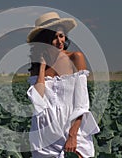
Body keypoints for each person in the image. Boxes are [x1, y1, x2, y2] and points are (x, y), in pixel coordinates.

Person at [26, 12, 100, 158]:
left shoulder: (75, 58)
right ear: (44, 41)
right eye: (54, 37)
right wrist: (41, 66)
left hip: (71, 131)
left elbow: (82, 103)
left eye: (61, 35)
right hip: (43, 136)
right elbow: (37, 101)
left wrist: (73, 135)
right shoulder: (36, 67)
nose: (60, 41)